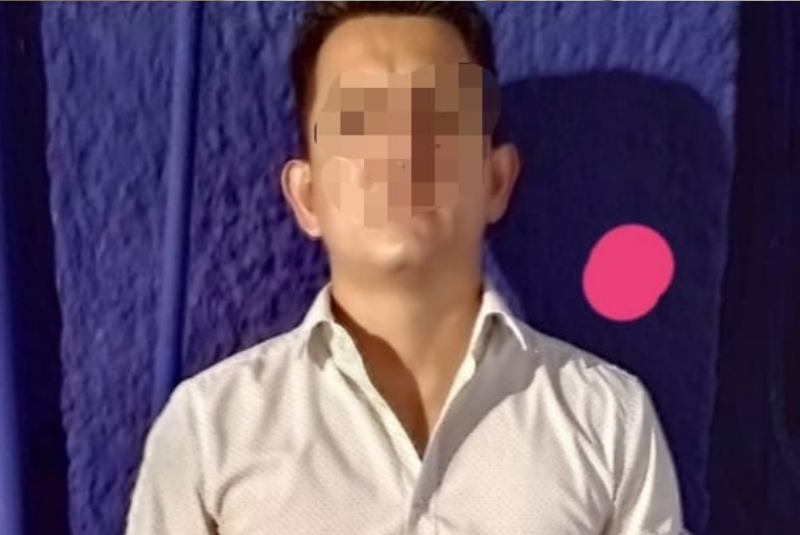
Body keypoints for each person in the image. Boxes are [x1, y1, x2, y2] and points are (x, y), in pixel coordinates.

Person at [125, 2, 687, 534]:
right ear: (307, 195)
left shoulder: (609, 420)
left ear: (495, 181)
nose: (400, 152)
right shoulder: (210, 432)